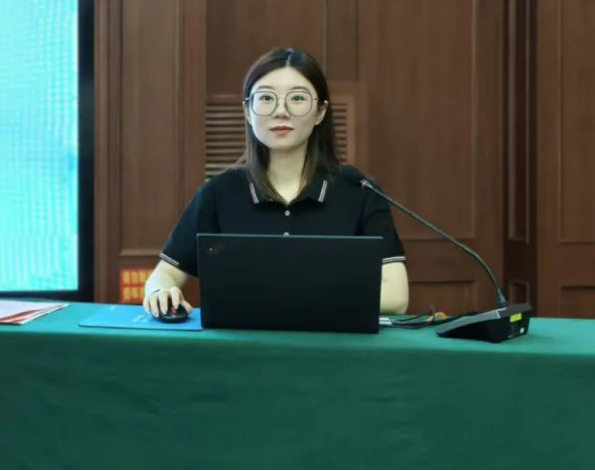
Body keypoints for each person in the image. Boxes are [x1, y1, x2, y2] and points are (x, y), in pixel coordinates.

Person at [143, 47, 409, 318]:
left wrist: (285, 294)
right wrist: (160, 292)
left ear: (320, 112)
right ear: (248, 111)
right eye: (267, 98)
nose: (281, 111)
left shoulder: (359, 192)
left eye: (297, 98)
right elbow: (163, 275)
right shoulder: (219, 193)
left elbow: (396, 296)